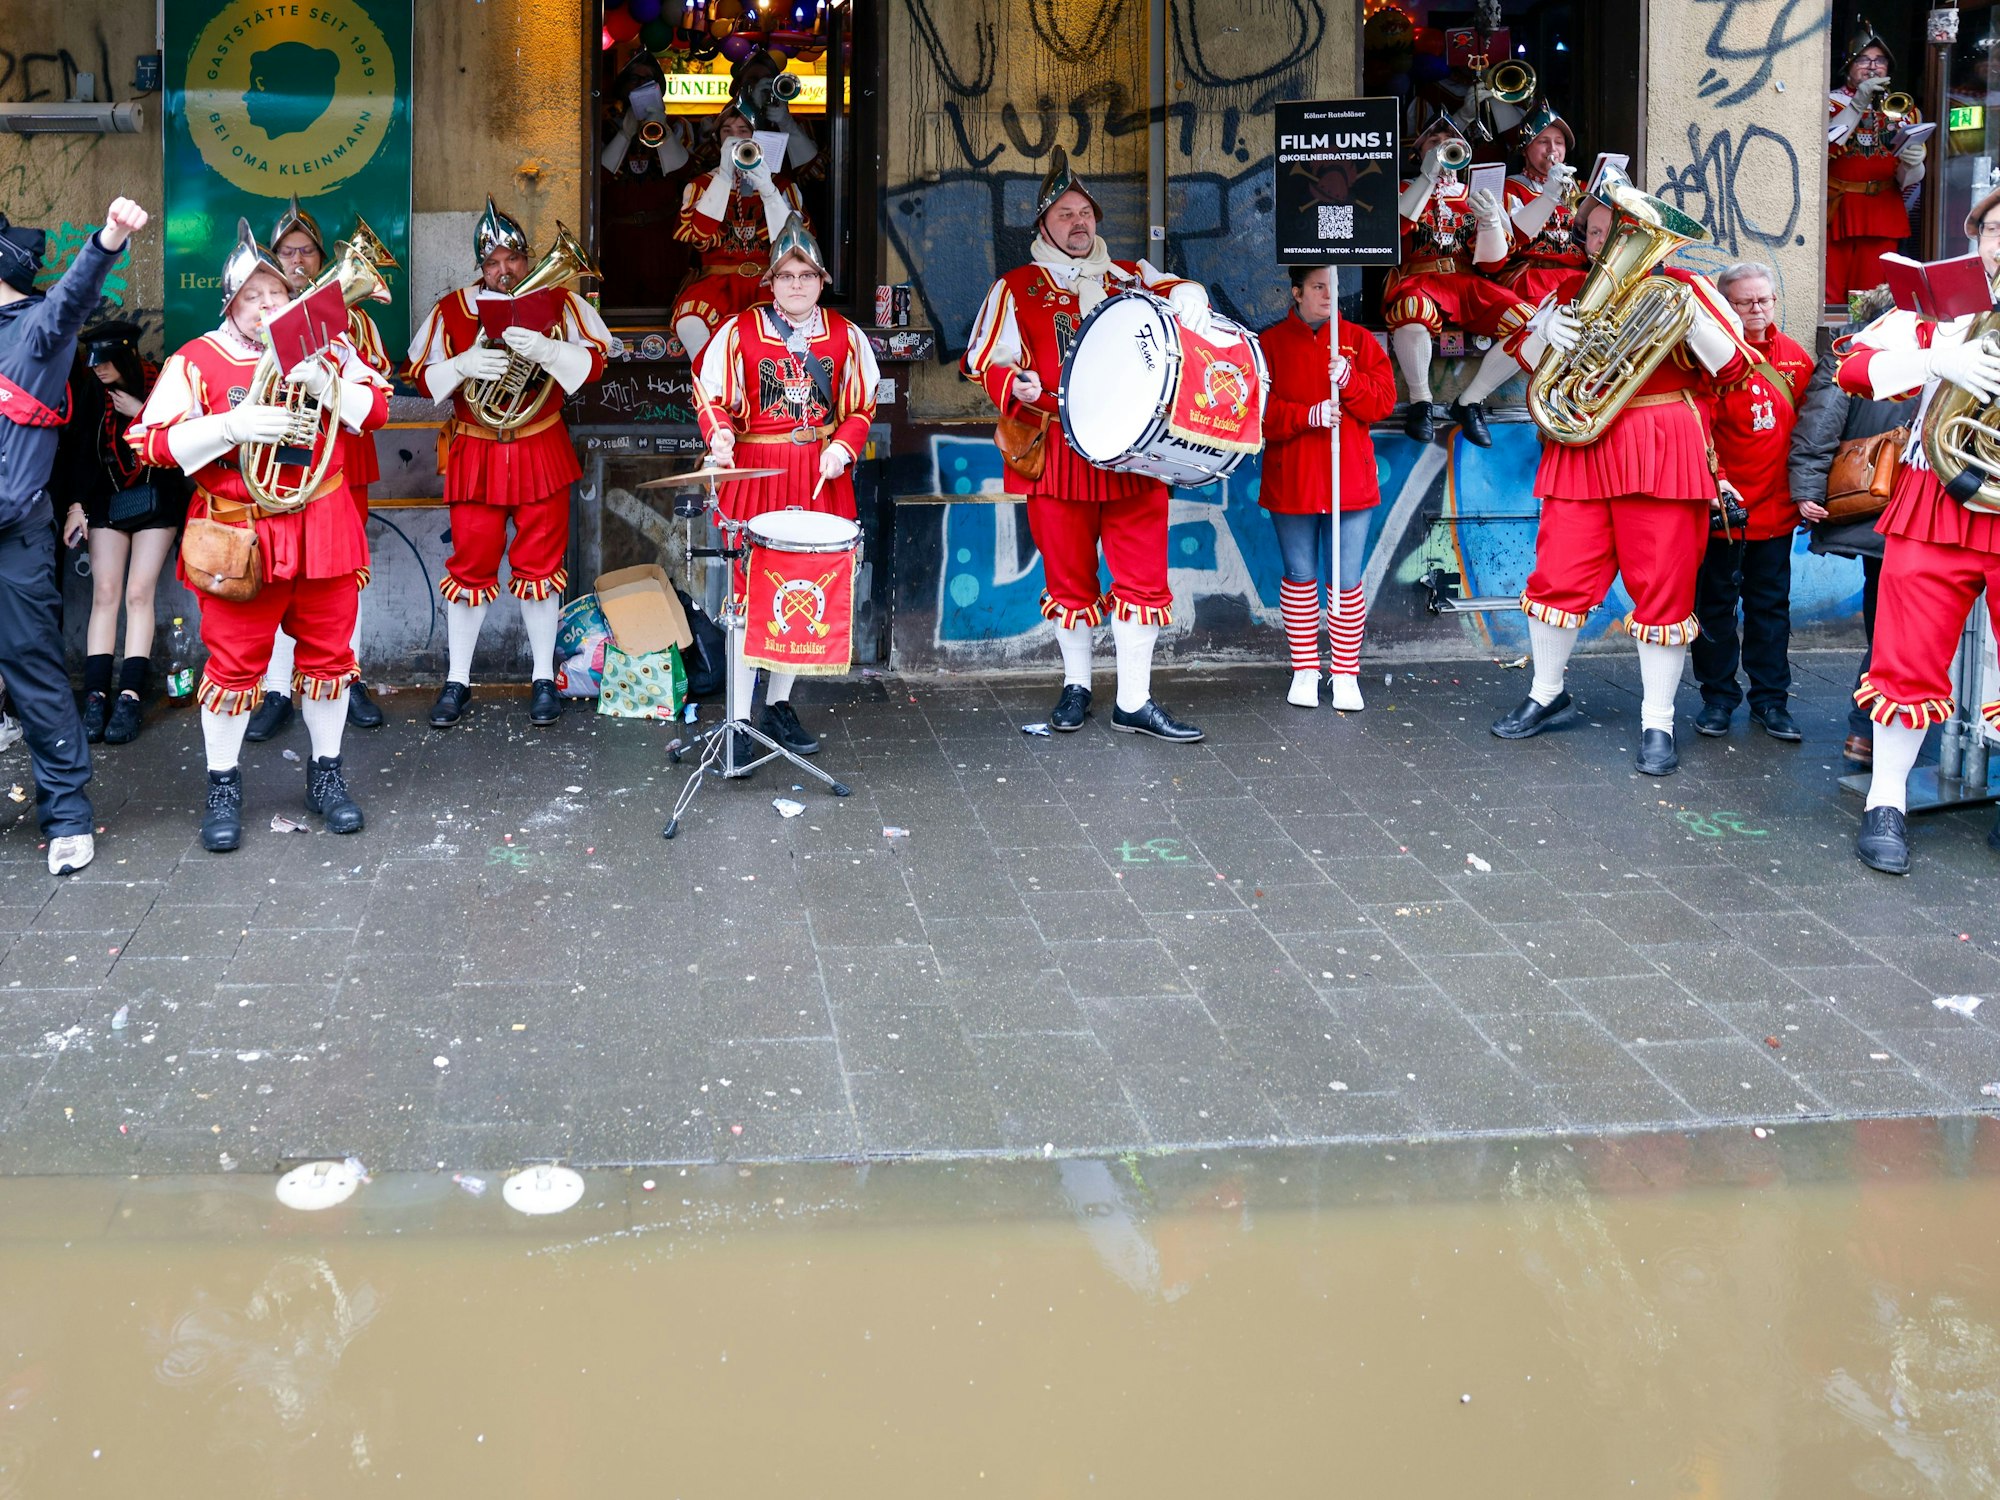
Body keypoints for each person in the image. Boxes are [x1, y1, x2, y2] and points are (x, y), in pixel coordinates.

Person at [128, 220, 390, 852]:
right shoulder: (197, 358)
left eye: (276, 294)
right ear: (231, 304)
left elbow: (377, 411)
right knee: (235, 664)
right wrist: (233, 426)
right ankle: (224, 783)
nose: (269, 305)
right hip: (237, 531)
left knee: (330, 656)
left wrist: (328, 381)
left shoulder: (329, 346)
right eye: (253, 297)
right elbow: (152, 442)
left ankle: (325, 775)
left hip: (321, 522)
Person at [1490, 192, 1757, 776]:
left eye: (1619, 230)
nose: (1609, 242)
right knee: (1556, 574)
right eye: (1597, 233)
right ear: (1585, 241)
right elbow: (1528, 363)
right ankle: (1546, 690)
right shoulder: (1565, 294)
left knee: (1662, 585)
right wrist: (1544, 336)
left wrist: (1692, 321)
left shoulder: (1687, 286)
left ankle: (1657, 720)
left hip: (1663, 444)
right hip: (1581, 444)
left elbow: (1736, 368)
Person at [961, 147, 1215, 742]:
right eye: (1067, 214)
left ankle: (1134, 700)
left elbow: (1182, 293)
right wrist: (1014, 384)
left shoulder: (1130, 275)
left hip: (1135, 456)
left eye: (1087, 213)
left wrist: (1190, 296)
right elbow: (983, 359)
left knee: (1144, 577)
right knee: (1069, 578)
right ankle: (1077, 686)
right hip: (1056, 456)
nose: (1080, 224)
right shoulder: (1017, 287)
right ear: (1044, 225)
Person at [1835, 187, 2000, 874]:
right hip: (1940, 492)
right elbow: (1853, 370)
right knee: (1905, 655)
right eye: (1997, 228)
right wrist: (1934, 362)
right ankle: (1886, 802)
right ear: (1977, 233)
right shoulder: (1938, 303)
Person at [408, 197, 610, 730]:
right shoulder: (451, 308)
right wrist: (463, 363)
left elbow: (593, 365)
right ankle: (458, 681)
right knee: (470, 567)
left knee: (541, 569)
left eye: (513, 258)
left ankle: (543, 677)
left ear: (527, 258)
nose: (504, 269)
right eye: (493, 261)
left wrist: (547, 352)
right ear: (481, 265)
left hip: (541, 444)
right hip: (476, 446)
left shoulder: (560, 302)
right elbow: (420, 378)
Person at [693, 213, 878, 757]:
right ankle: (738, 718)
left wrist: (844, 446)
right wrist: (720, 436)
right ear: (770, 282)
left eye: (806, 276)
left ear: (821, 281)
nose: (796, 285)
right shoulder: (738, 332)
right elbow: (713, 398)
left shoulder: (846, 336)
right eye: (786, 276)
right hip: (756, 474)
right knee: (747, 600)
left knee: (800, 593)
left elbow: (862, 405)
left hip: (819, 477)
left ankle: (777, 704)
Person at [0, 196, 148, 876]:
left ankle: (66, 816)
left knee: (33, 673)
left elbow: (70, 299)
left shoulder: (36, 330)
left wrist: (109, 237)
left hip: (15, 536)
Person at [247, 196, 393, 744]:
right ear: (272, 258)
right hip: (278, 457)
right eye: (287, 252)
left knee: (341, 576)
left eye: (307, 251)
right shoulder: (256, 317)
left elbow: (376, 384)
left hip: (342, 456)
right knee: (283, 570)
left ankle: (343, 678)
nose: (298, 261)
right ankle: (279, 687)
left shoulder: (352, 319)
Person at [1257, 265, 1396, 711]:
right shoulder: (1270, 344)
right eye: (1318, 287)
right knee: (1299, 577)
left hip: (1349, 480)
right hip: (1293, 478)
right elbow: (1256, 412)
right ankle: (1303, 669)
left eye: (1333, 287)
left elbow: (1384, 402)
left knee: (1346, 581)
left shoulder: (1358, 339)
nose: (1328, 295)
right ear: (1296, 292)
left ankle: (1345, 674)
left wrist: (1351, 382)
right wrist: (1307, 415)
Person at [1689, 262, 1815, 741]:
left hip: (1776, 514)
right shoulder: (1710, 359)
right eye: (1745, 302)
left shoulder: (1796, 360)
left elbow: (1810, 435)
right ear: (1726, 306)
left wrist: (1808, 495)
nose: (1757, 309)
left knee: (1770, 612)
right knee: (1715, 610)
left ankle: (1770, 702)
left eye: (1764, 300)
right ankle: (1718, 699)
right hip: (1722, 512)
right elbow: (1697, 430)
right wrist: (1716, 481)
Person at [59, 319, 187, 746]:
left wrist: (142, 415)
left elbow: (182, 438)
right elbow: (79, 449)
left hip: (155, 498)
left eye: (104, 361)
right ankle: (96, 695)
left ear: (126, 355)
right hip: (106, 500)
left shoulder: (160, 382)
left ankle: (130, 694)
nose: (96, 368)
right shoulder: (91, 390)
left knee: (138, 593)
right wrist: (76, 506)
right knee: (105, 593)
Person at [1792, 284, 1901, 767]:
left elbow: (1818, 425)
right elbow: (1820, 425)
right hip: (1903, 509)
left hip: (1886, 510)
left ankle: (1869, 731)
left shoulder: (1852, 351)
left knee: (1890, 625)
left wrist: (1810, 489)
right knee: (1896, 628)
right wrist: (1808, 490)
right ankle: (1869, 728)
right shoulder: (1859, 352)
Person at [1386, 113, 1534, 448]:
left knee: (1529, 324)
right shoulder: (1402, 189)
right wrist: (1426, 178)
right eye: (1434, 142)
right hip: (1419, 280)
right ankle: (1421, 401)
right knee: (1412, 313)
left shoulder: (1477, 192)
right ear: (1419, 150)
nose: (1442, 149)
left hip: (1467, 284)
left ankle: (1469, 402)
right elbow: (1393, 230)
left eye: (1450, 143)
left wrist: (1490, 222)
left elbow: (1493, 262)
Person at [671, 96, 808, 363]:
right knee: (690, 324)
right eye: (727, 131)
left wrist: (767, 188)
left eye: (743, 131)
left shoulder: (782, 185)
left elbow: (793, 243)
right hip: (716, 283)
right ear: (718, 140)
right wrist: (723, 175)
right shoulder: (700, 185)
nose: (735, 138)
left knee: (778, 335)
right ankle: (714, 393)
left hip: (771, 283)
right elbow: (700, 235)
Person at [1827, 21, 1926, 304]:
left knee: (1872, 297)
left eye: (1879, 60)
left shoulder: (1906, 111)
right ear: (1848, 65)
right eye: (1864, 60)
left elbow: (1908, 180)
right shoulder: (1829, 102)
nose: (1872, 67)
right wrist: (1858, 103)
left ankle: (1861, 344)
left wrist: (1915, 163)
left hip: (1883, 210)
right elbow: (1825, 147)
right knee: (1831, 293)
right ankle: (1828, 346)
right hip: (1838, 209)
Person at [1492, 100, 1587, 304]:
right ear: (1525, 149)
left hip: (1581, 279)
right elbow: (1514, 238)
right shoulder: (1508, 189)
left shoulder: (1584, 189)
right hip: (1533, 280)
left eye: (1559, 142)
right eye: (1543, 141)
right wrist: (1549, 196)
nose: (1552, 149)